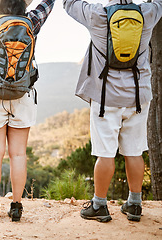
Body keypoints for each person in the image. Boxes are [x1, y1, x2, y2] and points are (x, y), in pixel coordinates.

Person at [64, 0, 162, 222]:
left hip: (105, 97)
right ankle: (134, 204)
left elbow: (68, 4)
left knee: (105, 153)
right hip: (138, 96)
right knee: (135, 150)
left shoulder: (97, 14)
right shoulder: (148, 12)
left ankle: (99, 205)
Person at [0, 0, 55, 222]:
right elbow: (49, 3)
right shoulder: (32, 20)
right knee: (18, 154)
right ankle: (16, 208)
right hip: (22, 93)